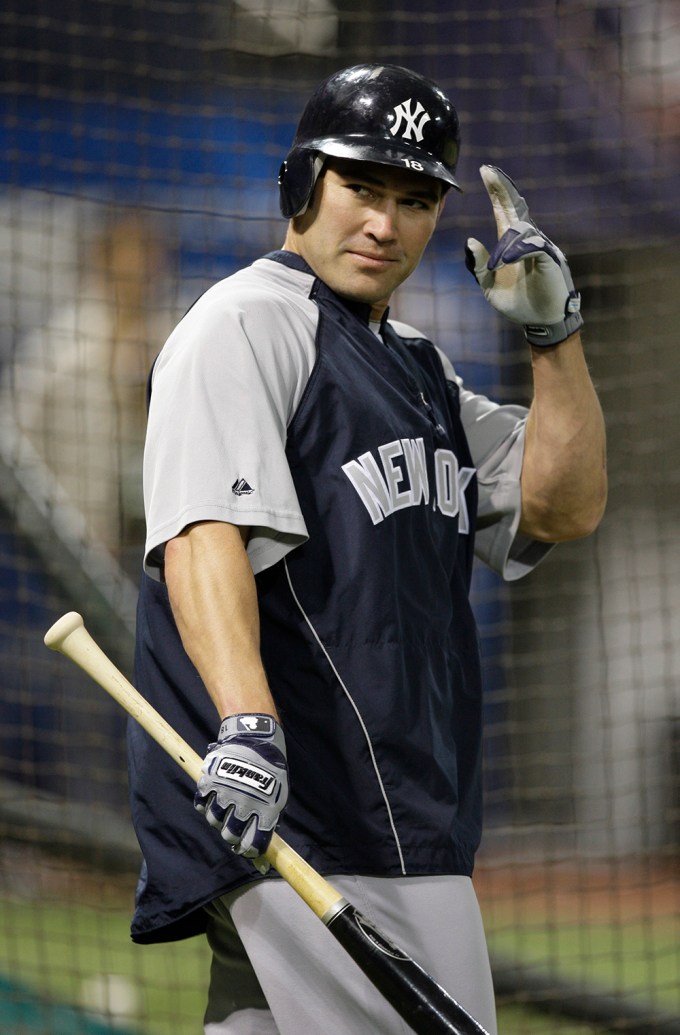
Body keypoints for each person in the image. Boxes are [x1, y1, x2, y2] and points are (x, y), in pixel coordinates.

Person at [128, 64, 607, 1035]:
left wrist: (553, 340)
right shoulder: (245, 323)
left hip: (390, 810)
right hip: (315, 810)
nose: (384, 223)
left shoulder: (416, 365)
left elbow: (558, 509)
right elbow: (202, 535)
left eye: (415, 199)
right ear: (302, 185)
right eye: (361, 188)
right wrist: (249, 732)